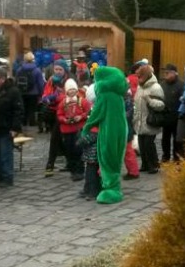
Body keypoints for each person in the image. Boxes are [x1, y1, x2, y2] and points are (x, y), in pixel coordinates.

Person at [80, 66, 129, 204]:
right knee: (116, 158)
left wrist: (86, 128)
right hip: (121, 129)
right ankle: (114, 186)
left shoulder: (105, 95)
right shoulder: (118, 95)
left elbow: (96, 114)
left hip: (109, 131)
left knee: (107, 159)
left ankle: (111, 190)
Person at [55, 79, 89, 182]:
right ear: (66, 91)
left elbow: (88, 112)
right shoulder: (63, 103)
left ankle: (79, 171)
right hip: (67, 130)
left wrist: (81, 117)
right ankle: (73, 170)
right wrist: (64, 120)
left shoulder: (82, 101)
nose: (72, 91)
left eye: (74, 89)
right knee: (69, 151)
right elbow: (59, 114)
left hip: (78, 129)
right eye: (70, 90)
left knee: (78, 151)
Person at [132, 65, 162, 173]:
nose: (138, 78)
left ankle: (153, 165)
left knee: (149, 144)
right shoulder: (140, 87)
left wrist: (149, 100)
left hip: (150, 120)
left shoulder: (155, 87)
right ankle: (145, 164)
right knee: (141, 144)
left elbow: (160, 105)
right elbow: (136, 103)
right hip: (140, 120)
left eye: (140, 76)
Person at [41, 61, 69, 175]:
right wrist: (48, 98)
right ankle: (71, 162)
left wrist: (54, 97)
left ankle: (50, 165)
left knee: (54, 138)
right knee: (59, 140)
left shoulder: (68, 81)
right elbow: (45, 95)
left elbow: (67, 97)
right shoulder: (51, 80)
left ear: (65, 70)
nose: (57, 71)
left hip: (63, 113)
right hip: (51, 112)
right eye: (56, 69)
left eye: (60, 69)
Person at [160, 64, 184, 162]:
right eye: (165, 72)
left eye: (168, 72)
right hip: (165, 116)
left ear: (174, 73)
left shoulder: (181, 85)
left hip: (177, 117)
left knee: (176, 139)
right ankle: (165, 156)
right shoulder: (162, 84)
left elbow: (183, 101)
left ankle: (176, 157)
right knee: (165, 138)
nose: (165, 74)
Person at [15, 52, 45, 129]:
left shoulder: (19, 70)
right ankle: (32, 122)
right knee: (32, 108)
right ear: (33, 59)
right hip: (34, 92)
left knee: (24, 107)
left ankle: (24, 122)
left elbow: (16, 81)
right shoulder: (37, 70)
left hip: (22, 91)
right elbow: (40, 83)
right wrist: (41, 93)